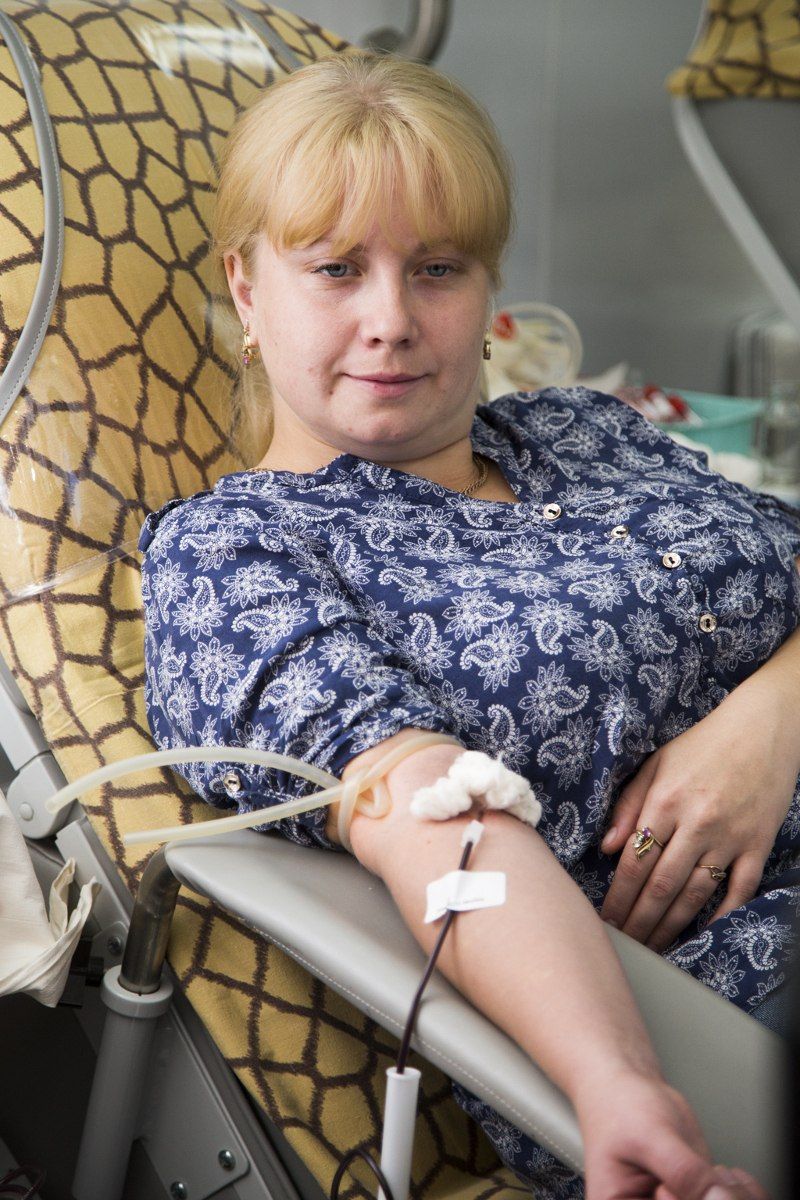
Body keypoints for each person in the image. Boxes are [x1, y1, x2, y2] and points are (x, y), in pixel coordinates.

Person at [138, 51, 800, 1200]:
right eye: (335, 269)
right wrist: (617, 1089)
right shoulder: (237, 554)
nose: (390, 320)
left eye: (436, 268)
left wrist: (770, 720)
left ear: (488, 287)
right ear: (246, 287)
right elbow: (440, 822)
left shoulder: (586, 429)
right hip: (732, 995)